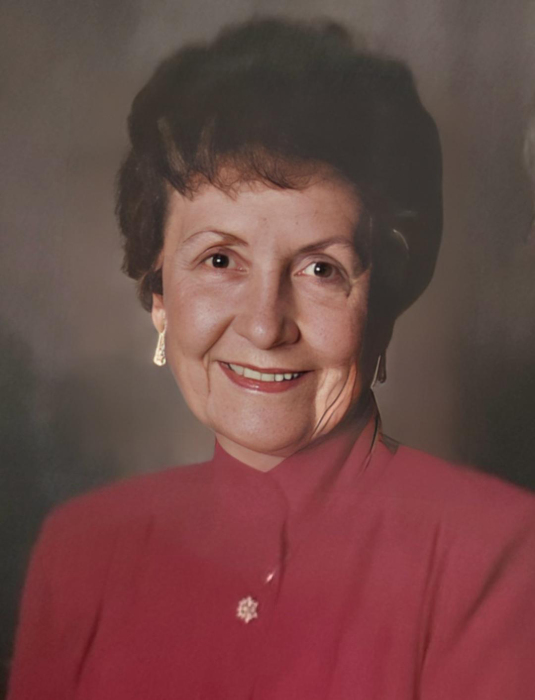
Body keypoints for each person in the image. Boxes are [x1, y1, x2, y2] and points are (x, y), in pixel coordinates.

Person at [8, 17, 535, 700]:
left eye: (320, 269)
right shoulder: (80, 550)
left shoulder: (499, 551)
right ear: (159, 297)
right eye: (219, 260)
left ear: (380, 309)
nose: (264, 325)